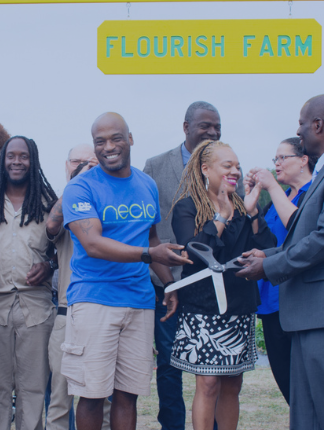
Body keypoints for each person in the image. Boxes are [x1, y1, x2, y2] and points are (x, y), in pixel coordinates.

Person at [237, 94, 324, 430]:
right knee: (306, 410)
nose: (299, 132)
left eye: (302, 124)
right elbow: (307, 234)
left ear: (318, 125)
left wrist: (269, 268)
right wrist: (268, 254)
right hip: (311, 312)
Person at [61, 112, 190, 430]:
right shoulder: (80, 189)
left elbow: (152, 237)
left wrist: (169, 284)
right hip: (95, 300)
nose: (108, 146)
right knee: (91, 395)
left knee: (127, 394)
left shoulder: (146, 184)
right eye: (99, 141)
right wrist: (149, 255)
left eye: (116, 138)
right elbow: (92, 243)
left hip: (139, 302)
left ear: (130, 139)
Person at [169, 140, 275, 430]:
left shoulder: (243, 207)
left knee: (232, 384)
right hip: (202, 307)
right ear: (205, 169)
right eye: (227, 165)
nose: (235, 171)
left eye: (238, 166)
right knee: (208, 383)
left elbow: (268, 247)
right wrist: (221, 217)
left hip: (239, 305)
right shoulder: (187, 206)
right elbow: (193, 252)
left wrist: (251, 213)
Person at [142, 101, 224, 430]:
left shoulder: (228, 167)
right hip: (167, 282)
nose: (213, 132)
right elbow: (147, 226)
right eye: (206, 126)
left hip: (213, 286)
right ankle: (171, 425)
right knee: (170, 364)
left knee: (214, 368)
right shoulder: (155, 165)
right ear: (186, 127)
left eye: (218, 126)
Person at [0, 136, 59, 430]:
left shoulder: (50, 204)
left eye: (23, 156)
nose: (16, 161)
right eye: (11, 155)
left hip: (35, 308)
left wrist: (50, 266)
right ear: (3, 159)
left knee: (34, 388)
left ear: (32, 160)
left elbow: (66, 250)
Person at [245, 137, 314, 403]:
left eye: (282, 158)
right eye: (275, 160)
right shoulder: (279, 198)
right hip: (272, 300)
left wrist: (271, 186)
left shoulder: (313, 193)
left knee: (306, 383)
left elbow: (300, 230)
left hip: (299, 300)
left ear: (304, 160)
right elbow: (265, 243)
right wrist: (251, 208)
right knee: (286, 381)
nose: (277, 164)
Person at [45, 144, 108, 430]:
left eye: (91, 162)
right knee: (59, 397)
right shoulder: (64, 202)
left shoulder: (110, 200)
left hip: (106, 309)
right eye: (78, 162)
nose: (84, 166)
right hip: (67, 311)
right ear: (66, 165)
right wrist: (76, 184)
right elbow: (50, 229)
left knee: (103, 397)